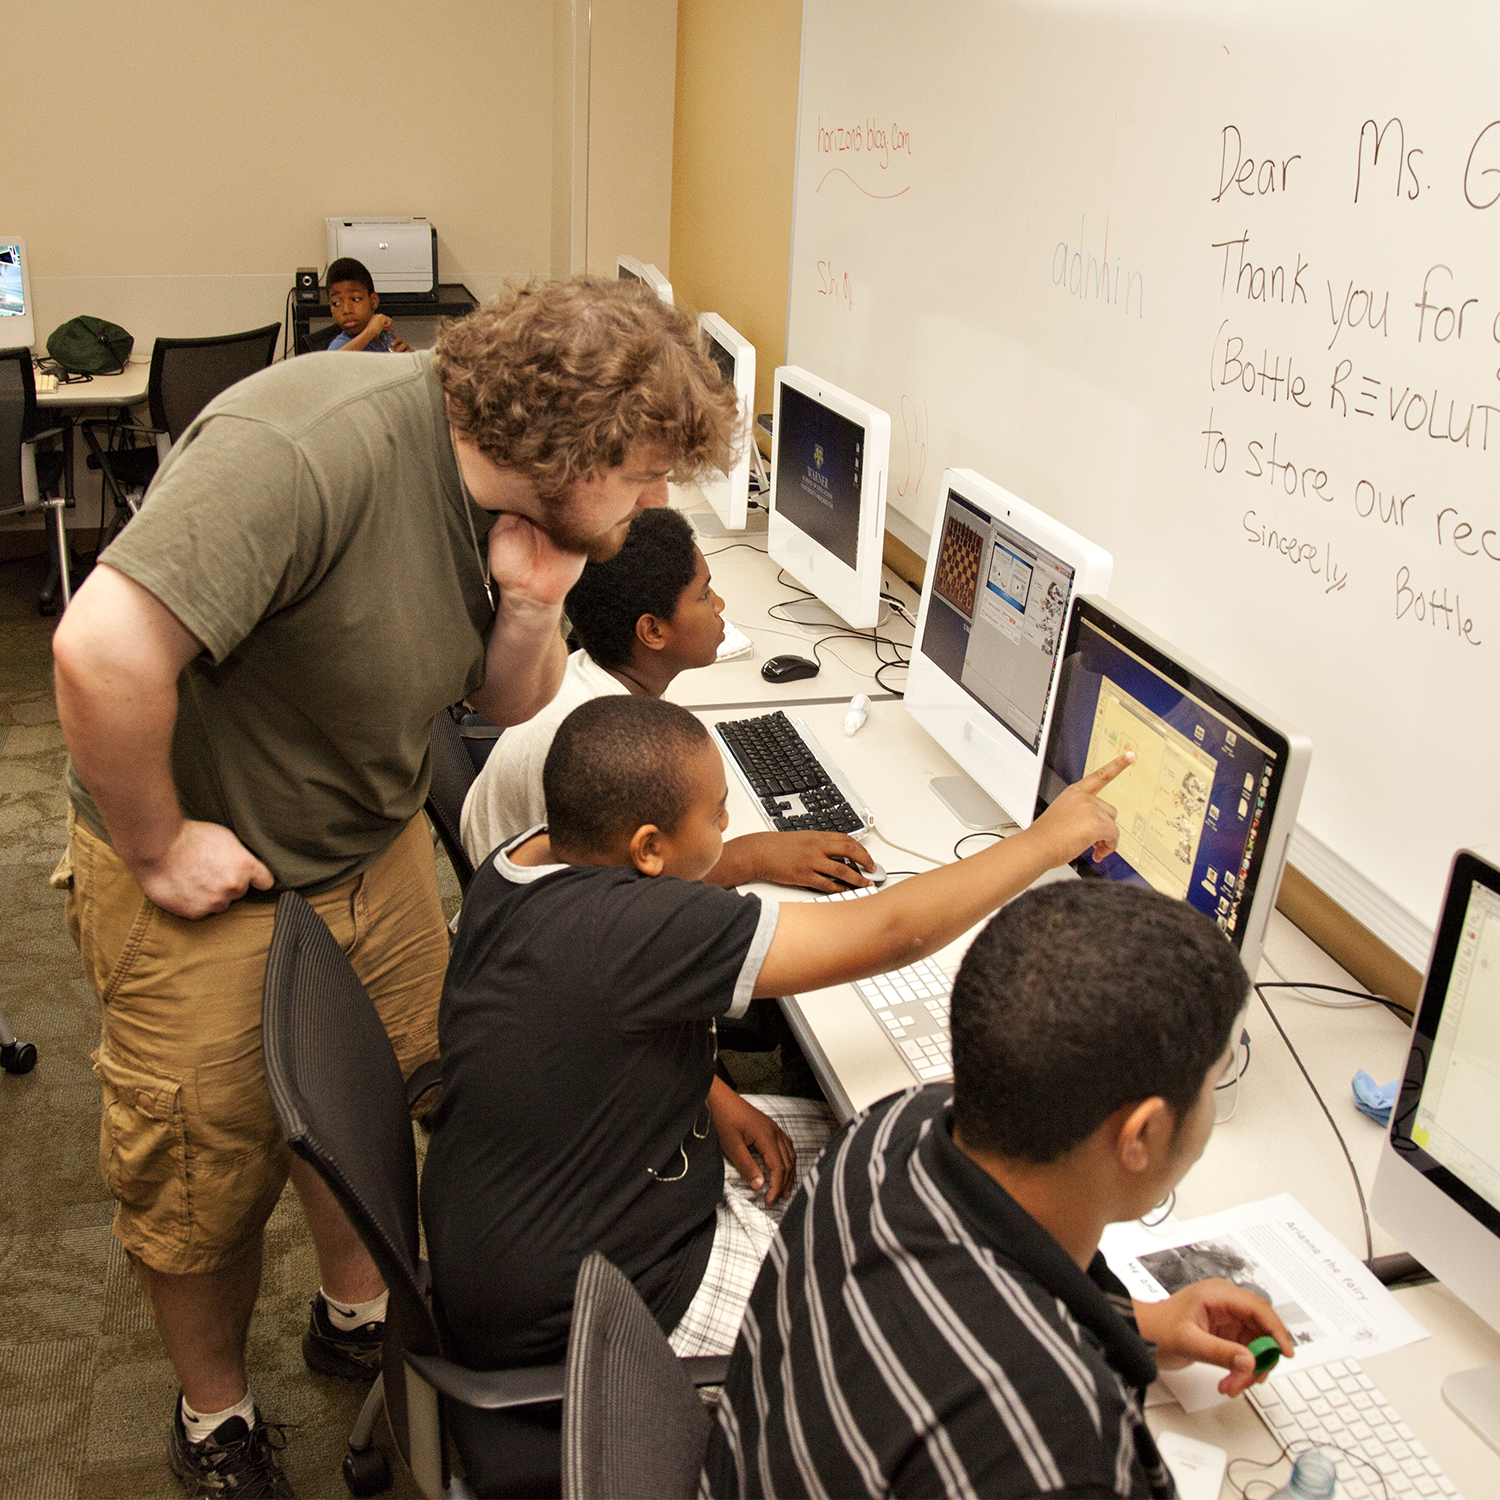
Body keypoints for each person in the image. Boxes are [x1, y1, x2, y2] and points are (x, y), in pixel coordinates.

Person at [50, 277, 740, 1499]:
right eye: (642, 473)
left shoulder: (524, 510)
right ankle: (214, 1418)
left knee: (393, 1097)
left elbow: (499, 703)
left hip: (366, 847)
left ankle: (352, 1310)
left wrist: (531, 604)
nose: (654, 505)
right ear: (568, 440)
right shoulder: (304, 453)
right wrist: (159, 845)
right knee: (202, 1179)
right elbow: (98, 652)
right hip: (203, 874)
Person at [419, 696, 1127, 1409]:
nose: (729, 827)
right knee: (924, 1344)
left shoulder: (529, 860)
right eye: (718, 813)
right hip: (599, 1303)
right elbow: (893, 933)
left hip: (538, 1210)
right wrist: (1047, 838)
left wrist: (712, 1093)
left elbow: (579, 1025)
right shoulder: (635, 930)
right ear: (648, 849)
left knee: (904, 1139)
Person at [700, 879, 1294, 1500]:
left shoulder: (893, 1126)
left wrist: (1144, 1325)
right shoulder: (1052, 1452)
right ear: (1140, 1134)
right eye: (1213, 1081)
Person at [459, 505, 877, 894]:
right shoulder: (608, 745)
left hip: (512, 890)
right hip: (536, 919)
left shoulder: (591, 672)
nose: (719, 605)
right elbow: (633, 894)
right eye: (703, 594)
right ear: (652, 632)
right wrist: (753, 857)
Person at [324, 256, 412, 352]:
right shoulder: (340, 345)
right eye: (336, 303)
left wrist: (408, 359)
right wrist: (370, 332)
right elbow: (332, 363)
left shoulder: (385, 337)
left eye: (355, 299)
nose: (346, 310)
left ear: (373, 301)